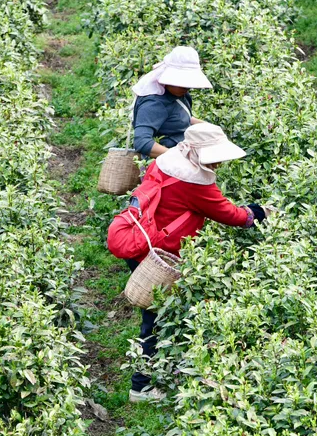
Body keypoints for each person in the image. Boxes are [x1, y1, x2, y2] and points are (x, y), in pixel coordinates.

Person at [116, 123, 271, 403]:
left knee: (158, 313)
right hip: (159, 255)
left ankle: (165, 370)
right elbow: (229, 214)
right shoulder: (194, 183)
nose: (220, 162)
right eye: (215, 156)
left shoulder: (166, 162)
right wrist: (256, 213)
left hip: (141, 238)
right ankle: (141, 386)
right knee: (155, 319)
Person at [131, 46, 212, 158]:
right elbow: (142, 142)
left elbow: (179, 118)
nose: (186, 86)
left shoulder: (181, 94)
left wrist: (210, 128)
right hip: (163, 170)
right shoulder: (153, 103)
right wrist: (178, 157)